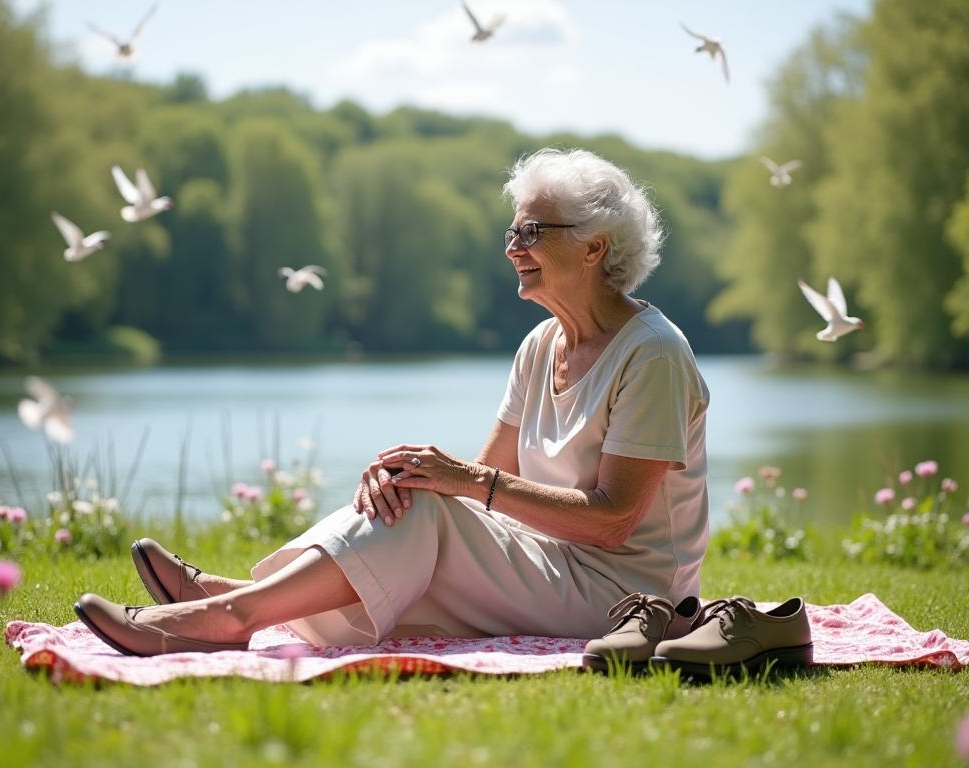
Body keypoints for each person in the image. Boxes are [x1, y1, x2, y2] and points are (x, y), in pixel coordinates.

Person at [73, 147, 711, 656]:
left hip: (630, 599)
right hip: (554, 566)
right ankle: (238, 598)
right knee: (421, 506)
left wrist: (459, 481)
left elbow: (612, 521)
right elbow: (487, 487)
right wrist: (422, 479)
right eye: (513, 229)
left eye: (533, 231)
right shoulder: (542, 343)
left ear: (595, 247)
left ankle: (230, 613)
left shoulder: (652, 353)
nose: (513, 246)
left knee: (431, 515)